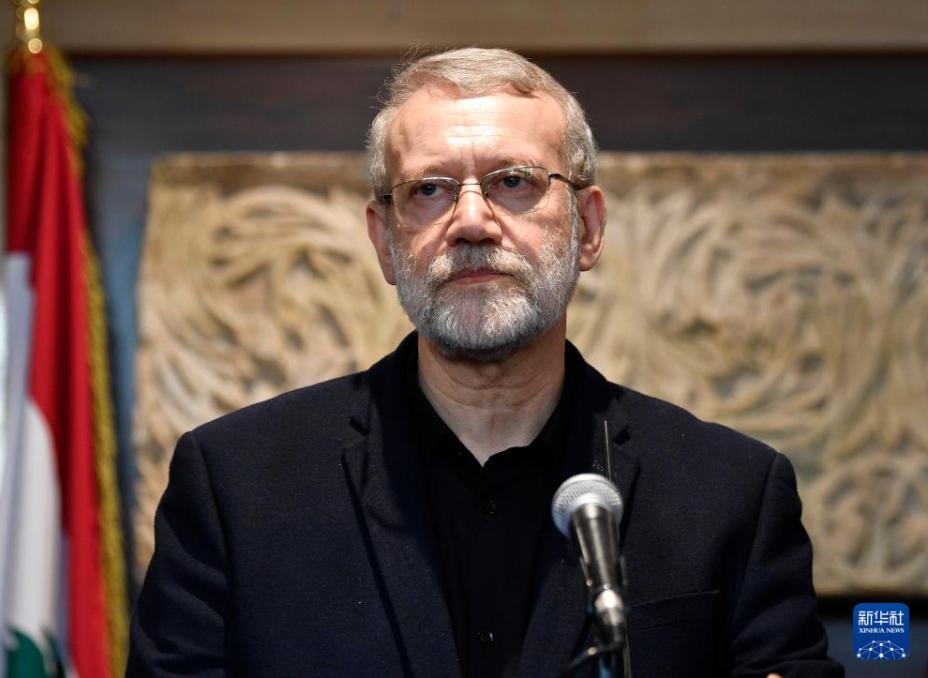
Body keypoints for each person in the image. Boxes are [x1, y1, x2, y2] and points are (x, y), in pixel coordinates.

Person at [127, 48, 843, 677]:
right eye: (429, 190)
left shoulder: (730, 493)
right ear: (385, 242)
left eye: (513, 181)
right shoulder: (236, 487)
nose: (471, 222)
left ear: (587, 228)